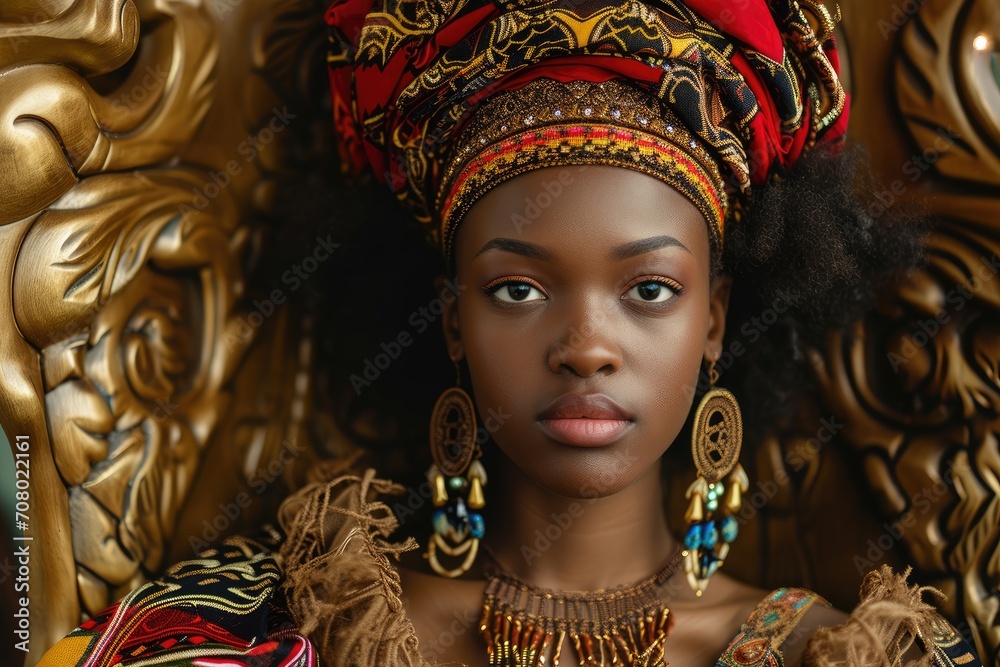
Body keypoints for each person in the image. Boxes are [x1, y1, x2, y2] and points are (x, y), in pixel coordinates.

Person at [36, 0, 984, 665]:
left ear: (716, 319)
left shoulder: (835, 653)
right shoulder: (287, 632)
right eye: (520, 289)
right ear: (451, 318)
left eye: (649, 288)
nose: (584, 345)